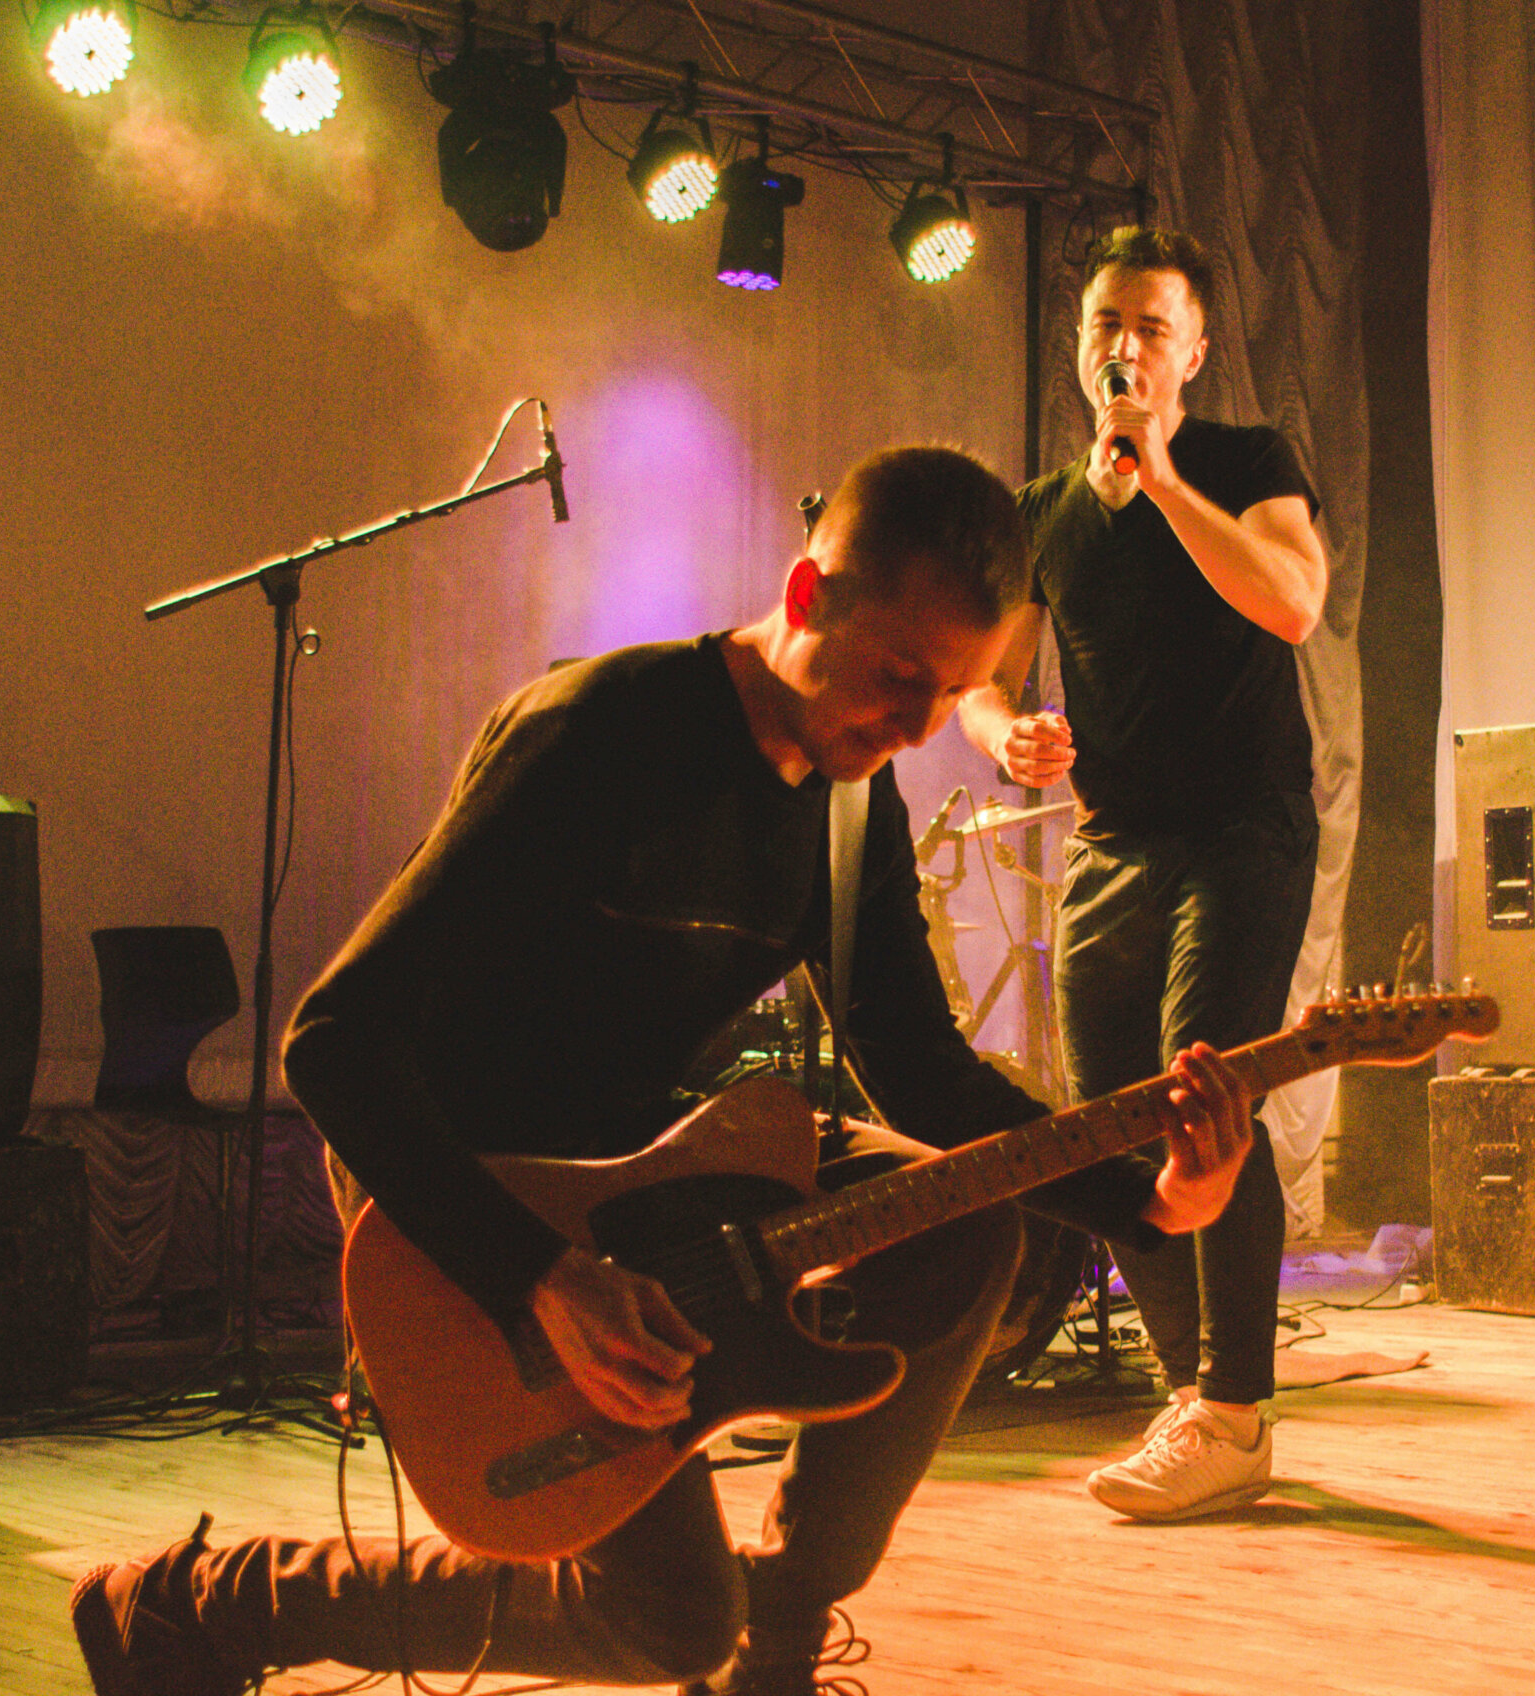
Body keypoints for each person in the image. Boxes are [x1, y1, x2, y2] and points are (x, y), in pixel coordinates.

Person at [70, 445, 1257, 1696]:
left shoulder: (852, 801)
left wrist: (1148, 1199)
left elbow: (920, 1070)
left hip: (646, 1169)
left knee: (961, 1232)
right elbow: (334, 1039)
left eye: (953, 692)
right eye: (900, 676)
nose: (917, 729)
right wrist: (542, 1277)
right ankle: (197, 1603)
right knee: (664, 1623)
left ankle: (775, 1637)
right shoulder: (599, 733)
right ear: (805, 596)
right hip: (471, 1188)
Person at [959, 228, 1330, 1523]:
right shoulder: (1039, 515)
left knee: (1204, 1090)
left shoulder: (1245, 463)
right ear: (1079, 342)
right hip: (1113, 843)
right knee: (1114, 1125)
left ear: (1195, 351)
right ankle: (1193, 1402)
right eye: (1106, 324)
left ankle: (1235, 1407)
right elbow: (985, 677)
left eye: (1152, 328)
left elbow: (1294, 602)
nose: (1125, 347)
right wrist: (1004, 735)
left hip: (1245, 827)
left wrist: (1162, 481)